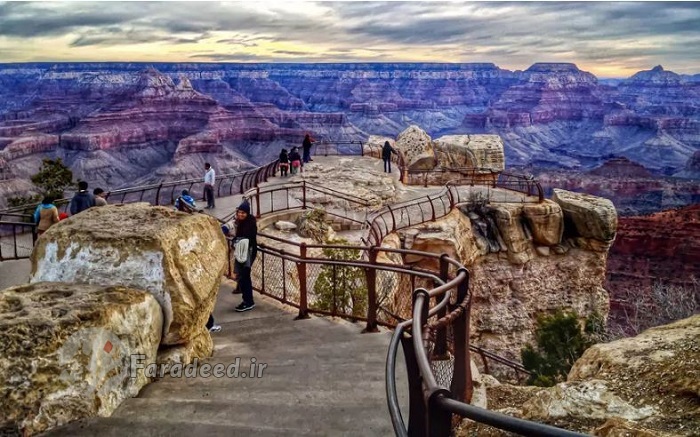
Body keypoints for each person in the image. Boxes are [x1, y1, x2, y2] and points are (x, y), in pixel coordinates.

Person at [233, 200, 257, 312]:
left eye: (243, 213)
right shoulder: (240, 222)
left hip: (248, 253)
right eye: (240, 212)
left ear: (247, 214)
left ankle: (248, 302)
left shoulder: (251, 223)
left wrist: (237, 240)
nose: (241, 214)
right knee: (241, 277)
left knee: (245, 276)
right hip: (241, 252)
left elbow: (248, 238)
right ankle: (246, 300)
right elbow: (238, 236)